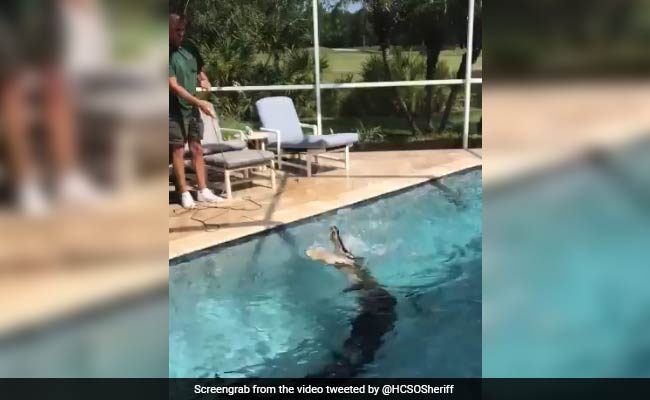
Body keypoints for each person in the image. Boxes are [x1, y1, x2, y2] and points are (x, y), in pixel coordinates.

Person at [169, 13, 222, 209]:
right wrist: (200, 103)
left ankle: (203, 190)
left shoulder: (190, 47)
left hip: (191, 109)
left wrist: (204, 79)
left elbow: (198, 69)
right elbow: (173, 86)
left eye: (183, 29)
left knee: (197, 147)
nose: (181, 34)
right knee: (178, 149)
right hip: (172, 110)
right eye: (176, 30)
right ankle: (183, 192)